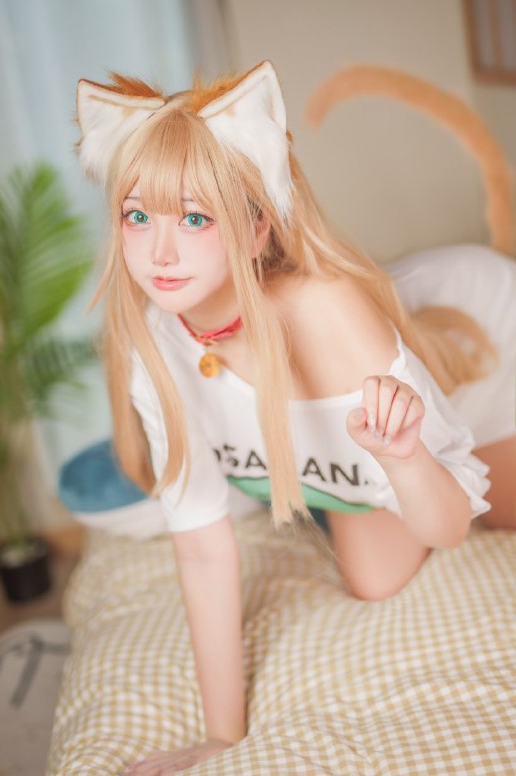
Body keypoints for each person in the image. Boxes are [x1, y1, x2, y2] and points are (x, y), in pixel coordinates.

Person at [75, 60, 516, 775]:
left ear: (256, 230)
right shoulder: (151, 338)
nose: (160, 252)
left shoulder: (328, 314)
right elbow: (202, 549)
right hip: (360, 415)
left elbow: (449, 528)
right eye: (137, 215)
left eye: (194, 217)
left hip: (489, 342)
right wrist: (222, 738)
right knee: (374, 579)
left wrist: (406, 455)